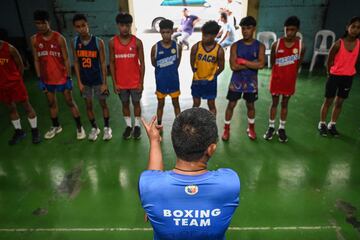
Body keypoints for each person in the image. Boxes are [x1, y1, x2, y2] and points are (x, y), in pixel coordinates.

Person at [139, 107, 240, 240]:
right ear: (211, 149)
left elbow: (154, 179)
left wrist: (154, 141)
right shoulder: (229, 183)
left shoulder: (148, 187)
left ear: (175, 142)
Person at [31, 10, 85, 140]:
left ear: (48, 22)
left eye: (43, 23)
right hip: (47, 79)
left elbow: (66, 59)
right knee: (51, 103)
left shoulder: (59, 38)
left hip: (61, 78)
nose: (40, 26)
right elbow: (36, 60)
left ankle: (80, 127)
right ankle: (56, 126)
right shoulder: (34, 39)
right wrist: (39, 78)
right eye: (37, 24)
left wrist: (68, 77)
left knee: (70, 102)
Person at [222, 16, 265, 141]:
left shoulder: (259, 46)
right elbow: (233, 66)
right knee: (231, 104)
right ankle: (226, 129)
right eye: (243, 28)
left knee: (250, 105)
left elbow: (261, 64)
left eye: (249, 28)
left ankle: (251, 128)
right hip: (236, 82)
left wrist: (243, 61)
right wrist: (252, 63)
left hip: (251, 82)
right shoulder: (235, 46)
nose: (245, 31)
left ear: (253, 29)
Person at [263, 16, 305, 143]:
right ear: (284, 29)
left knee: (285, 104)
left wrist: (290, 74)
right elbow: (273, 62)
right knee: (274, 103)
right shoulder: (277, 44)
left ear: (297, 30)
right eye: (287, 29)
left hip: (289, 81)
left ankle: (281, 128)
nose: (290, 32)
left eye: (293, 30)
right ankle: (271, 127)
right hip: (277, 80)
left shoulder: (301, 46)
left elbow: (298, 63)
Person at [71, 14, 112, 141]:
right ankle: (95, 128)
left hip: (98, 80)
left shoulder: (98, 42)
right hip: (85, 80)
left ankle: (106, 128)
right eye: (78, 27)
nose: (81, 29)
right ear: (75, 28)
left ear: (87, 25)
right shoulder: (75, 43)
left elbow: (103, 64)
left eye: (83, 25)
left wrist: (105, 83)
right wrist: (79, 82)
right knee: (88, 105)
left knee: (103, 104)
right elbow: (76, 63)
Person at [318, 16, 360, 137]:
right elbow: (329, 61)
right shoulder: (338, 44)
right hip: (334, 76)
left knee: (340, 102)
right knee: (328, 101)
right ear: (347, 27)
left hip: (348, 77)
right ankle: (322, 123)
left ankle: (332, 124)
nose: (355, 30)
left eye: (358, 27)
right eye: (353, 26)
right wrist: (329, 74)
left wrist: (349, 69)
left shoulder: (358, 44)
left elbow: (355, 59)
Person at [109, 12, 145, 140]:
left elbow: (142, 63)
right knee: (124, 104)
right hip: (121, 83)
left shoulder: (137, 42)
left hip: (135, 82)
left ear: (130, 25)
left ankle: (138, 126)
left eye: (127, 25)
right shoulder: (112, 42)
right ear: (118, 25)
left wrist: (141, 82)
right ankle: (129, 126)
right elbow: (112, 63)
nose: (125, 28)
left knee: (136, 104)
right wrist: (114, 83)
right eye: (122, 25)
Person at [0, 40, 41, 145]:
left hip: (15, 84)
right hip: (2, 86)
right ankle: (19, 132)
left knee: (27, 106)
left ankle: (35, 131)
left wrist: (18, 79)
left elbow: (20, 65)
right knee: (11, 109)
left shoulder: (9, 48)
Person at [150, 19, 182, 129]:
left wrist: (169, 69)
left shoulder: (178, 47)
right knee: (160, 104)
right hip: (161, 82)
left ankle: (179, 124)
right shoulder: (155, 48)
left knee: (176, 103)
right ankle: (159, 124)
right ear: (160, 32)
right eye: (163, 32)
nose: (165, 35)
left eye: (168, 32)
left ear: (172, 32)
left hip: (173, 81)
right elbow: (154, 63)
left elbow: (177, 62)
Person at [190, 21, 225, 116]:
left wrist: (213, 75)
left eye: (206, 36)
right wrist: (195, 71)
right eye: (203, 35)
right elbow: (192, 61)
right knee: (196, 103)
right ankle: (194, 123)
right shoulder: (196, 47)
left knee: (211, 105)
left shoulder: (219, 50)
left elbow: (221, 67)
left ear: (214, 35)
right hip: (197, 80)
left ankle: (212, 125)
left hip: (210, 82)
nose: (203, 37)